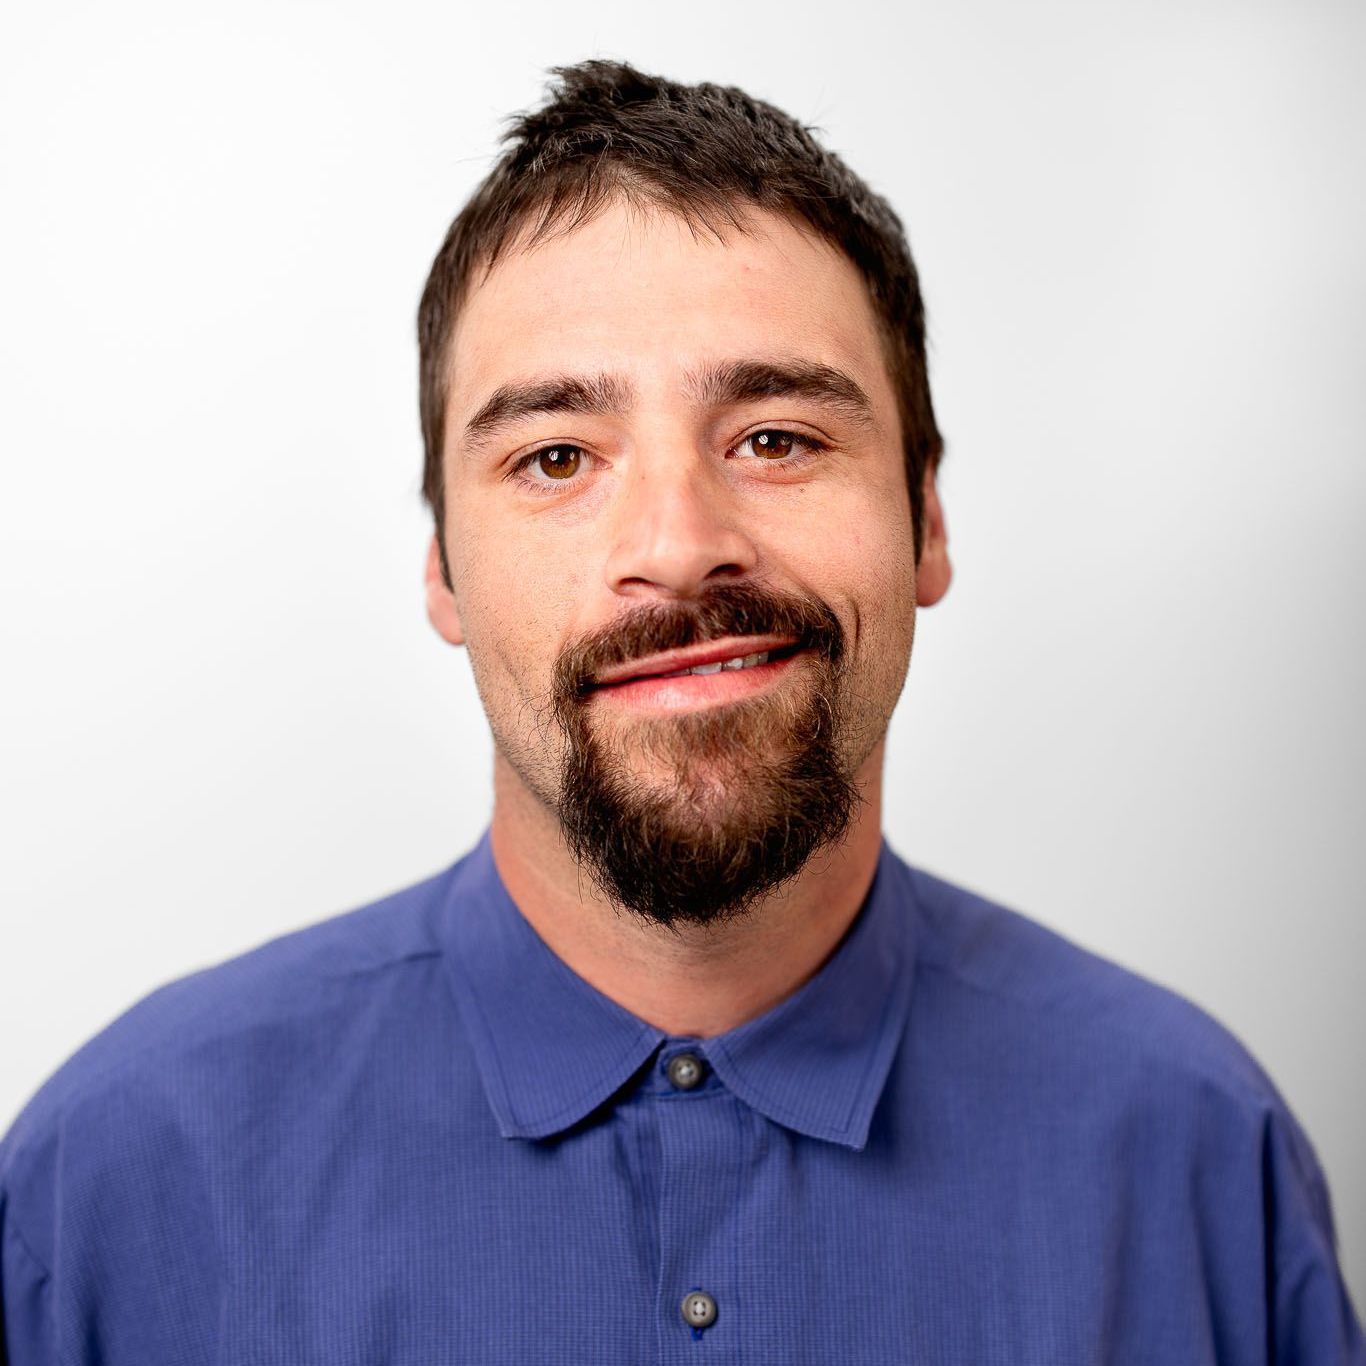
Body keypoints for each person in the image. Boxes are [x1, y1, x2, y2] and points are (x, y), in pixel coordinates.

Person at [1, 58, 1361, 1365]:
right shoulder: (112, 1179)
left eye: (776, 437)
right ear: (443, 569)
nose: (676, 540)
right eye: (553, 456)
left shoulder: (1193, 1151)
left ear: (924, 519)